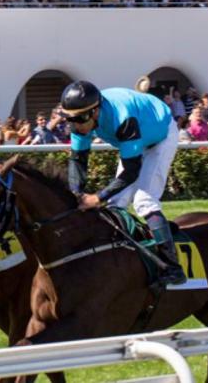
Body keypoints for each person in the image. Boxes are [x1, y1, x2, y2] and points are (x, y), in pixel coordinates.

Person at [58, 80, 185, 286]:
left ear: (95, 112)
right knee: (115, 204)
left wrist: (97, 197)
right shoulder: (81, 121)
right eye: (69, 120)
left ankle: (171, 267)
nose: (75, 125)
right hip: (137, 136)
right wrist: (76, 193)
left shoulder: (123, 118)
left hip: (160, 134)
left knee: (144, 200)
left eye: (79, 119)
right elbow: (78, 160)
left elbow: (131, 172)